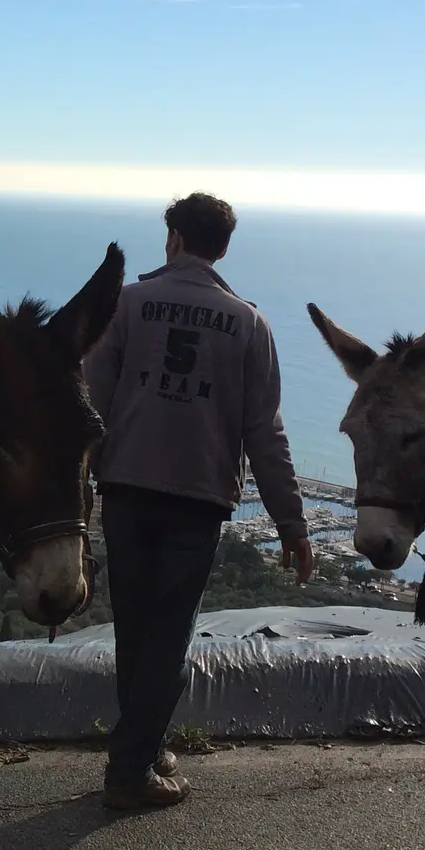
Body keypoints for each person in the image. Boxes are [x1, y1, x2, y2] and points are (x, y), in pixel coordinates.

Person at [83, 192, 313, 810]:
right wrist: (291, 523)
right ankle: (135, 763)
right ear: (222, 247)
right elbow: (265, 432)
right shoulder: (249, 323)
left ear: (175, 238)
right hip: (198, 498)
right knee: (167, 634)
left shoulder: (126, 304)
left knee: (135, 629)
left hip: (126, 488)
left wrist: (77, 490)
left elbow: (89, 403)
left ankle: (140, 752)